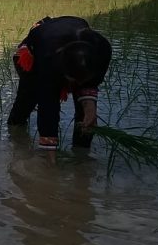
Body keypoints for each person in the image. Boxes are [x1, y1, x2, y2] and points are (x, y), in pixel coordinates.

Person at [7, 16, 112, 152]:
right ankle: (15, 136)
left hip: (71, 43)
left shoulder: (102, 50)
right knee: (27, 100)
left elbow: (92, 82)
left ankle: (82, 153)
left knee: (86, 116)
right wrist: (49, 157)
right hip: (36, 51)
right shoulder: (48, 59)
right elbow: (48, 105)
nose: (74, 85)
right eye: (72, 80)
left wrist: (90, 109)